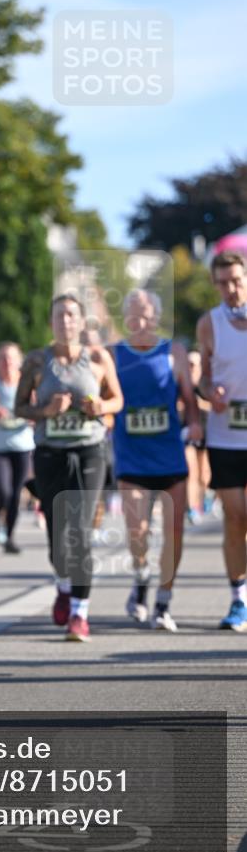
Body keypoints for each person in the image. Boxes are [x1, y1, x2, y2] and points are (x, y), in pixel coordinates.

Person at [16, 294, 123, 641]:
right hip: (50, 454)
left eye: (72, 315)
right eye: (59, 315)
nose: (66, 321)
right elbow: (20, 407)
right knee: (57, 537)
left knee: (80, 530)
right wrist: (46, 411)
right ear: (51, 321)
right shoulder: (37, 360)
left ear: (81, 321)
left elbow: (117, 400)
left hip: (90, 451)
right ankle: (63, 584)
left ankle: (80, 613)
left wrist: (100, 407)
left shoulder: (98, 357)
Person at [111, 290, 202, 632]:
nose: (141, 321)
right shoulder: (115, 354)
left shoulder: (173, 352)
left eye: (147, 315)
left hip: (169, 456)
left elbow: (189, 397)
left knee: (174, 532)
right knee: (138, 531)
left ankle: (163, 602)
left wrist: (194, 421)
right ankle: (141, 578)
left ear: (157, 317)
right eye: (134, 315)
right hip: (131, 457)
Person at [196, 251, 247, 632]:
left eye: (237, 280)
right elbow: (202, 377)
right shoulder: (208, 324)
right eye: (224, 283)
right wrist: (207, 391)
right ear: (215, 285)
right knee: (235, 517)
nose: (232, 288)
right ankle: (238, 599)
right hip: (225, 436)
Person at [0, 342, 34, 553]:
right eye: (3, 358)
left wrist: (31, 414)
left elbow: (37, 408)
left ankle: (9, 536)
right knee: (3, 491)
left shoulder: (26, 382)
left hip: (23, 445)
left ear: (19, 361)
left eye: (11, 358)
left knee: (15, 493)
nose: (7, 362)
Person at [183, 349, 212, 525]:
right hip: (187, 432)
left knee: (204, 473)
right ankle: (192, 508)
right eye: (189, 364)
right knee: (191, 471)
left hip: (207, 432)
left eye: (194, 364)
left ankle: (203, 499)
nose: (191, 367)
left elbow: (216, 406)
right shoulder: (182, 384)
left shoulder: (205, 385)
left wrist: (199, 403)